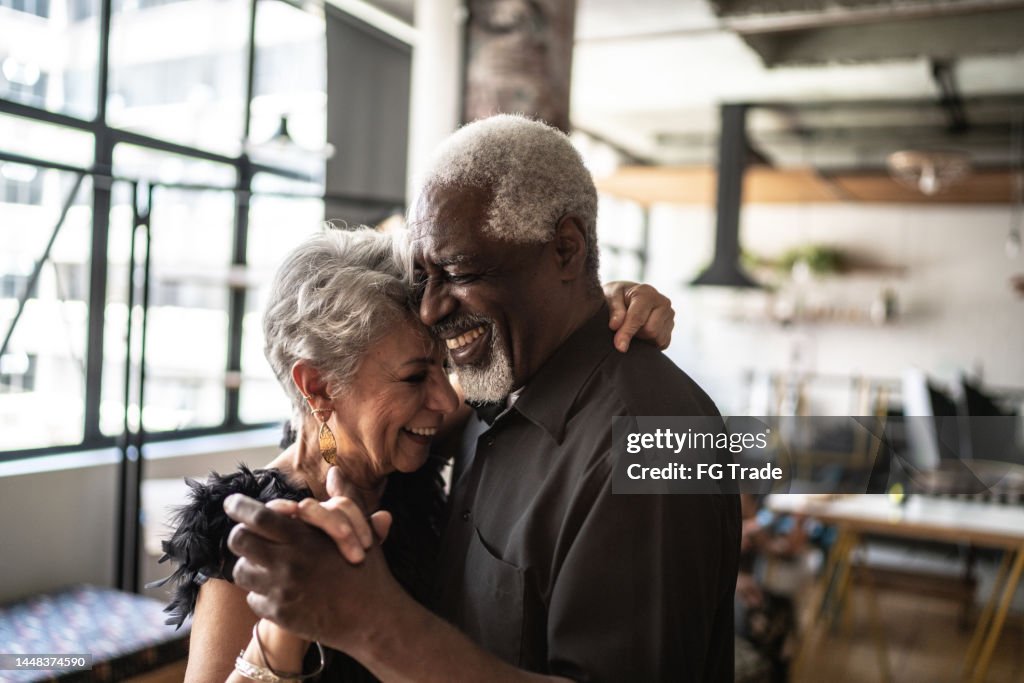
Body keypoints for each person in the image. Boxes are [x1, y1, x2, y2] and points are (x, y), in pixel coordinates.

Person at [224, 114, 741, 681]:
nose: (430, 307)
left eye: (458, 270)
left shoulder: (662, 436)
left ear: (566, 249)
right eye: (425, 277)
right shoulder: (496, 396)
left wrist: (373, 621)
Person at [156, 226, 676, 682]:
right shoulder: (254, 532)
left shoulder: (412, 449)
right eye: (413, 377)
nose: (448, 399)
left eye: (443, 367)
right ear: (317, 387)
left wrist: (607, 304)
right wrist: (286, 622)